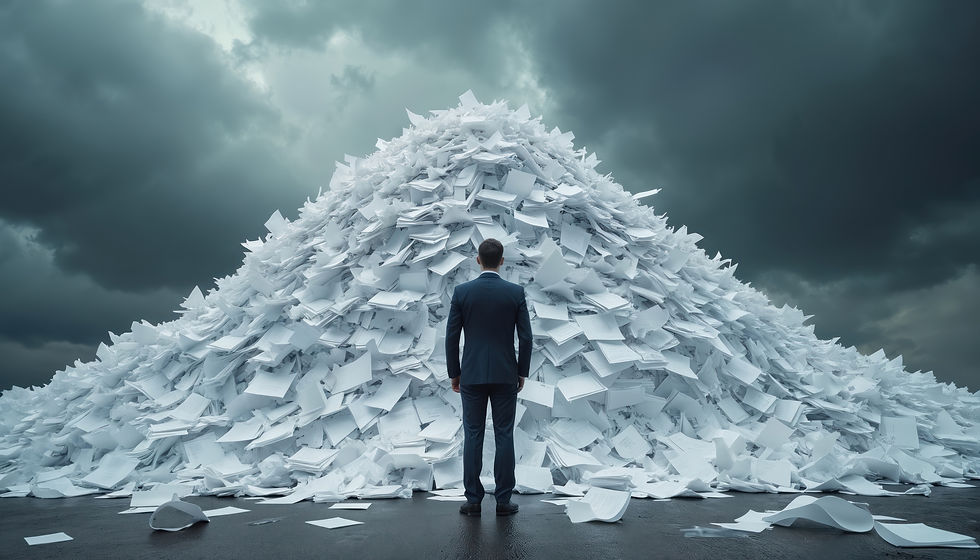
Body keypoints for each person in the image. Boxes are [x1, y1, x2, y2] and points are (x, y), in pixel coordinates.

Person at [445, 238, 532, 517]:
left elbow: (451, 338)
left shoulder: (462, 292)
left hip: (471, 374)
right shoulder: (515, 292)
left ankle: (473, 500)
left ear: (478, 260)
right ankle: (504, 501)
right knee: (504, 434)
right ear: (502, 261)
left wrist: (455, 374)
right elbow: (526, 337)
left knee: (473, 434)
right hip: (505, 373)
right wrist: (521, 371)